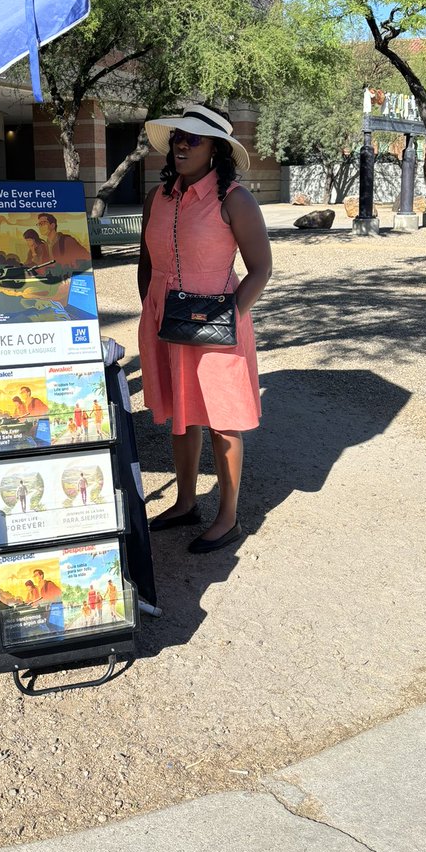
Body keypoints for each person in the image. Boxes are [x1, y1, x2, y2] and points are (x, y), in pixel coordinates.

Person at [137, 104, 272, 554]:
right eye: (178, 134)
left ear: (216, 148)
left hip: (217, 323)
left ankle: (228, 518)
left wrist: (228, 318)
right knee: (180, 413)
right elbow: (145, 263)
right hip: (166, 321)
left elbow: (260, 269)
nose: (181, 143)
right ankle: (186, 501)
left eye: (193, 138)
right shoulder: (157, 199)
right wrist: (150, 312)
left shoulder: (234, 198)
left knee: (222, 419)